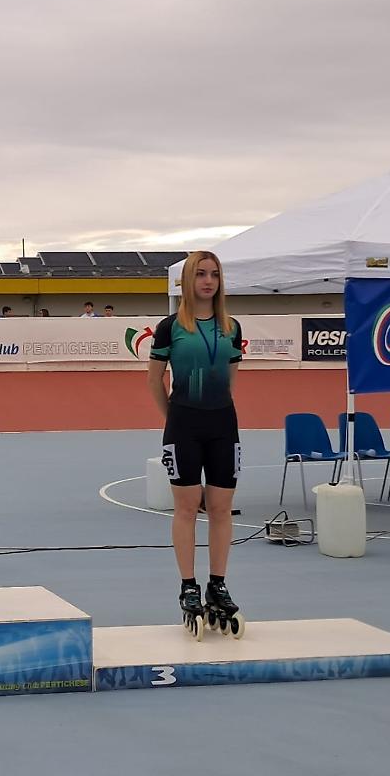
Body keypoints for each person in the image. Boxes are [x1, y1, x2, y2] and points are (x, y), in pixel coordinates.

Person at [147, 250, 245, 639]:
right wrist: (172, 417)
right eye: (201, 274)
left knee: (221, 509)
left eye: (215, 275)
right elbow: (155, 381)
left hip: (223, 424)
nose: (208, 281)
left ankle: (217, 583)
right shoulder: (170, 327)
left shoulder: (231, 327)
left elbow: (232, 380)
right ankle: (188, 584)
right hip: (183, 425)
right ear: (188, 281)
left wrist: (215, 409)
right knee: (186, 508)